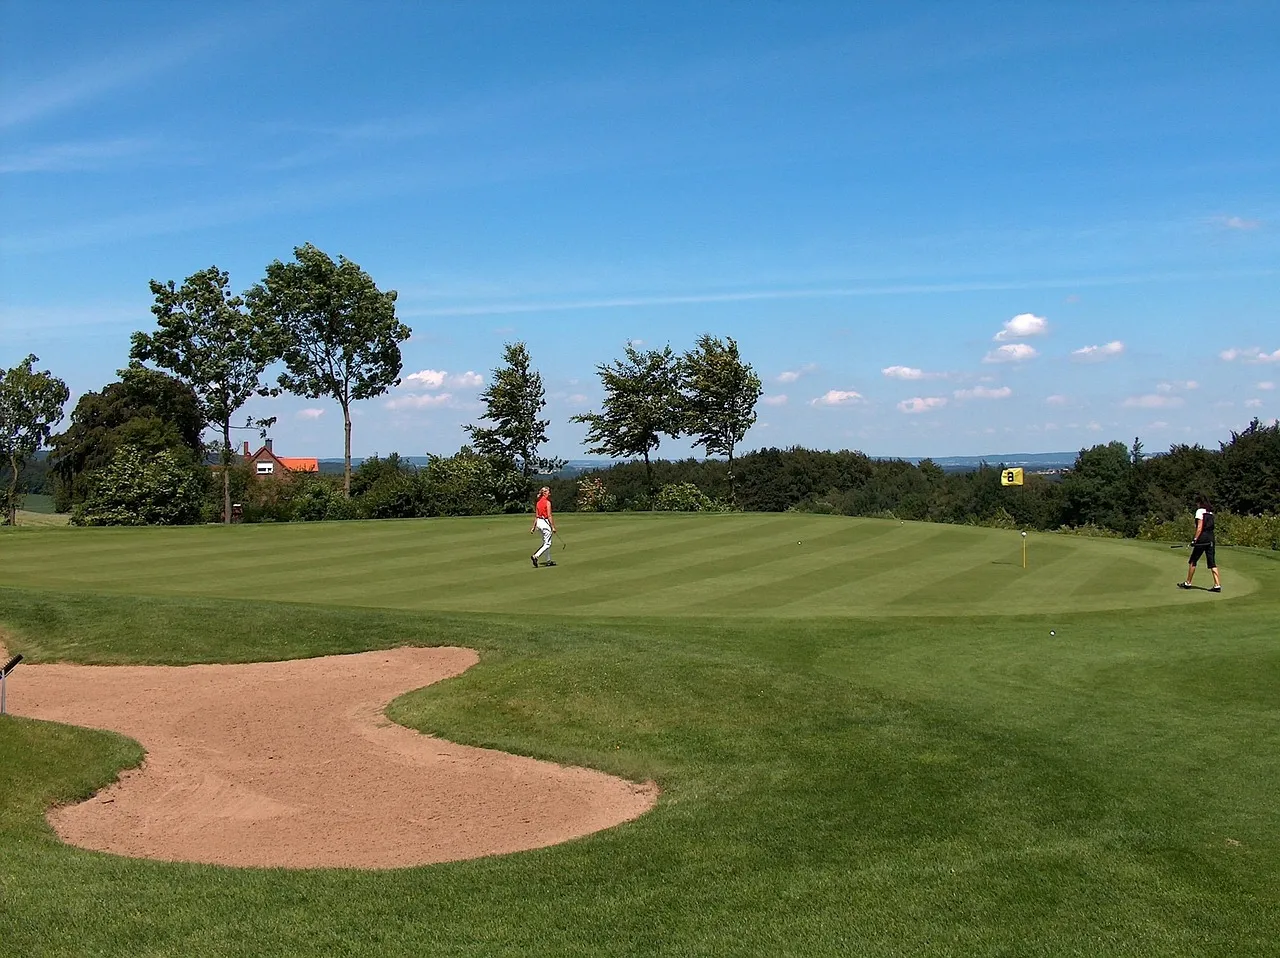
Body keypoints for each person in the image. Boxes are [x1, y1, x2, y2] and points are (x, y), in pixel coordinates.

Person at [1178, 495, 1221, 592]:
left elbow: (1199, 527)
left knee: (1193, 560)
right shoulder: (1210, 512)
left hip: (1202, 538)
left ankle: (1188, 582)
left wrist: (1195, 540)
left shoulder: (1199, 511)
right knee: (1212, 562)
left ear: (1199, 503)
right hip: (1211, 538)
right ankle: (1217, 584)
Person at [529, 486, 557, 568]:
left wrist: (533, 527)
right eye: (548, 492)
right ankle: (536, 556)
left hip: (539, 523)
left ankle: (548, 560)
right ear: (544, 493)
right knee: (548, 544)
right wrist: (553, 527)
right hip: (545, 523)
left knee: (545, 542)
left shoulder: (538, 502)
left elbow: (536, 516)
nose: (549, 493)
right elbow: (549, 515)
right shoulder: (547, 502)